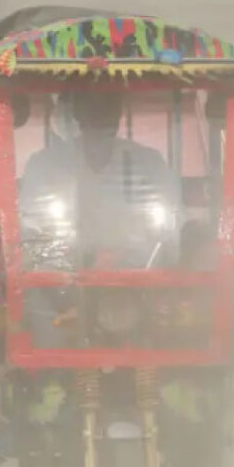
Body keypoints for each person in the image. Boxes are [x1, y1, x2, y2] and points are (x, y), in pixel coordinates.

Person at [18, 91, 183, 350]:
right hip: (65, 280)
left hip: (137, 276)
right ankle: (52, 376)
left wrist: (131, 258)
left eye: (106, 111)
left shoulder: (148, 163)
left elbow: (168, 225)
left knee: (175, 318)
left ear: (117, 116)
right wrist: (69, 262)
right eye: (92, 111)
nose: (99, 119)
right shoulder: (46, 165)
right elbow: (31, 231)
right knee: (37, 301)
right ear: (77, 117)